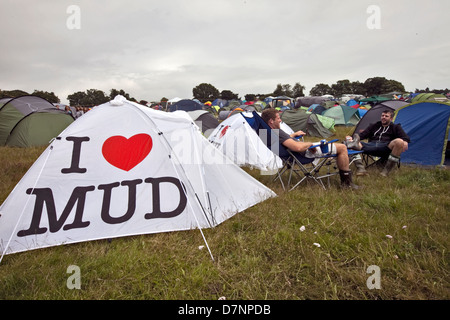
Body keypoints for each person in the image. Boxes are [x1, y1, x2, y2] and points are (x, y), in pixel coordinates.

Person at [261, 108, 361, 189]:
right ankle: (347, 183)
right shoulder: (277, 132)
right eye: (278, 118)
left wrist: (293, 135)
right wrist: (309, 144)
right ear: (271, 121)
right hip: (306, 153)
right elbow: (298, 147)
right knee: (342, 148)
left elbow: (283, 142)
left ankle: (351, 143)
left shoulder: (266, 133)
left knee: (337, 145)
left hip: (292, 156)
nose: (280, 120)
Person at [346, 109, 410, 177]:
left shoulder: (395, 127)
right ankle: (361, 169)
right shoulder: (374, 125)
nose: (384, 117)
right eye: (382, 115)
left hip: (385, 147)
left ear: (391, 118)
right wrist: (351, 139)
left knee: (399, 141)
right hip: (370, 146)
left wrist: (405, 141)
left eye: (386, 116)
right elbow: (362, 136)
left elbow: (405, 137)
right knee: (351, 143)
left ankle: (385, 172)